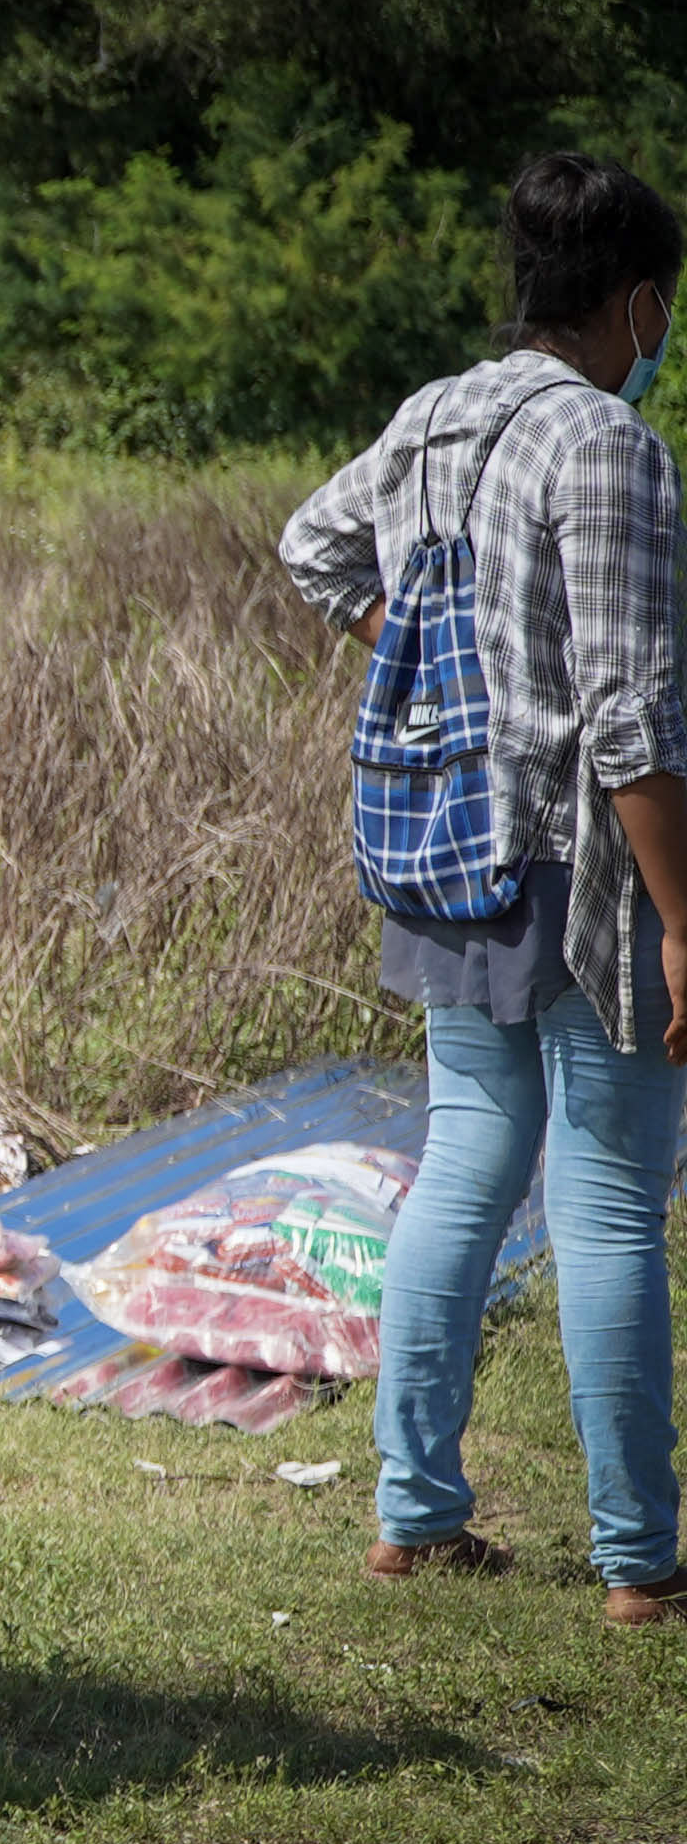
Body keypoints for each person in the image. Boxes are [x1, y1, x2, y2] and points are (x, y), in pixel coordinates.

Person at [280, 151, 687, 1626]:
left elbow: (311, 542)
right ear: (638, 305)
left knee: (466, 1162)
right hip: (581, 871)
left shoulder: (432, 414)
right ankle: (642, 1563)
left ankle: (416, 1515)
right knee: (612, 1201)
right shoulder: (609, 448)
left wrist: (438, 675)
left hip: (444, 853)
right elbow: (633, 716)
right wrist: (685, 918)